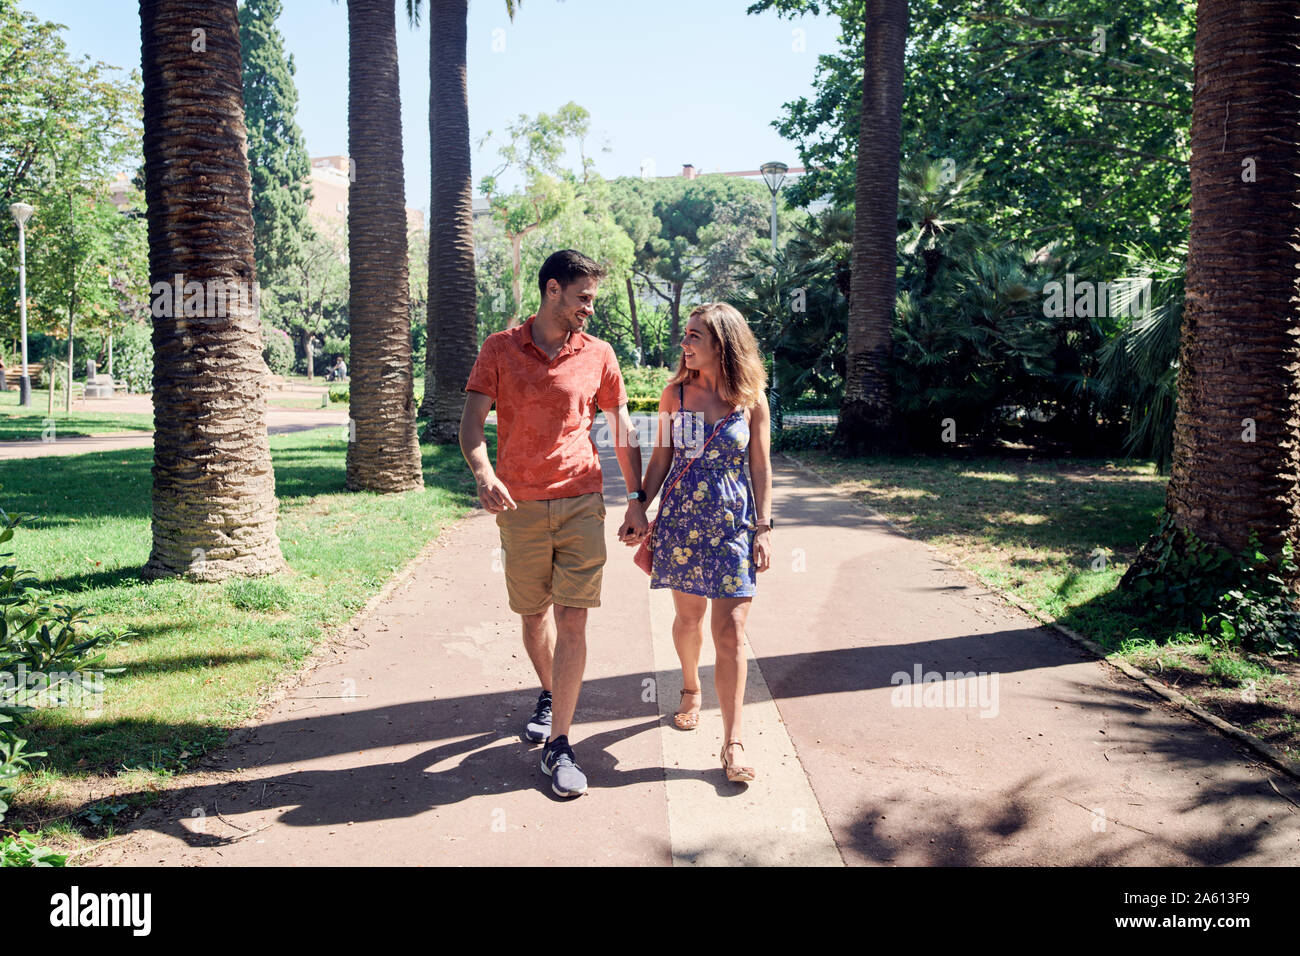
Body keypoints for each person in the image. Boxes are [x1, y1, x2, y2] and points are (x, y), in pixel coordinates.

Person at [460, 249, 648, 798]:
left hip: (582, 500)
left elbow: (622, 431)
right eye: (582, 298)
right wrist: (483, 474)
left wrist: (636, 499)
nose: (589, 309)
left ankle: (560, 743)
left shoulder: (600, 355)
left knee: (573, 617)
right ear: (552, 291)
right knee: (532, 613)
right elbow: (471, 426)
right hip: (519, 506)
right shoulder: (499, 349)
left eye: (592, 299)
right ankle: (550, 692)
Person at [632, 302, 773, 783]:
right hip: (683, 523)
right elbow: (661, 459)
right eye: (686, 335)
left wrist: (764, 527)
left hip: (734, 523)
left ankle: (732, 743)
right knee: (688, 619)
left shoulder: (751, 397)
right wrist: (639, 506)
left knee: (731, 630)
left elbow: (759, 466)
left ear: (723, 344)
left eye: (694, 336)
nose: (685, 343)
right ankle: (691, 688)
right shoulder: (675, 394)